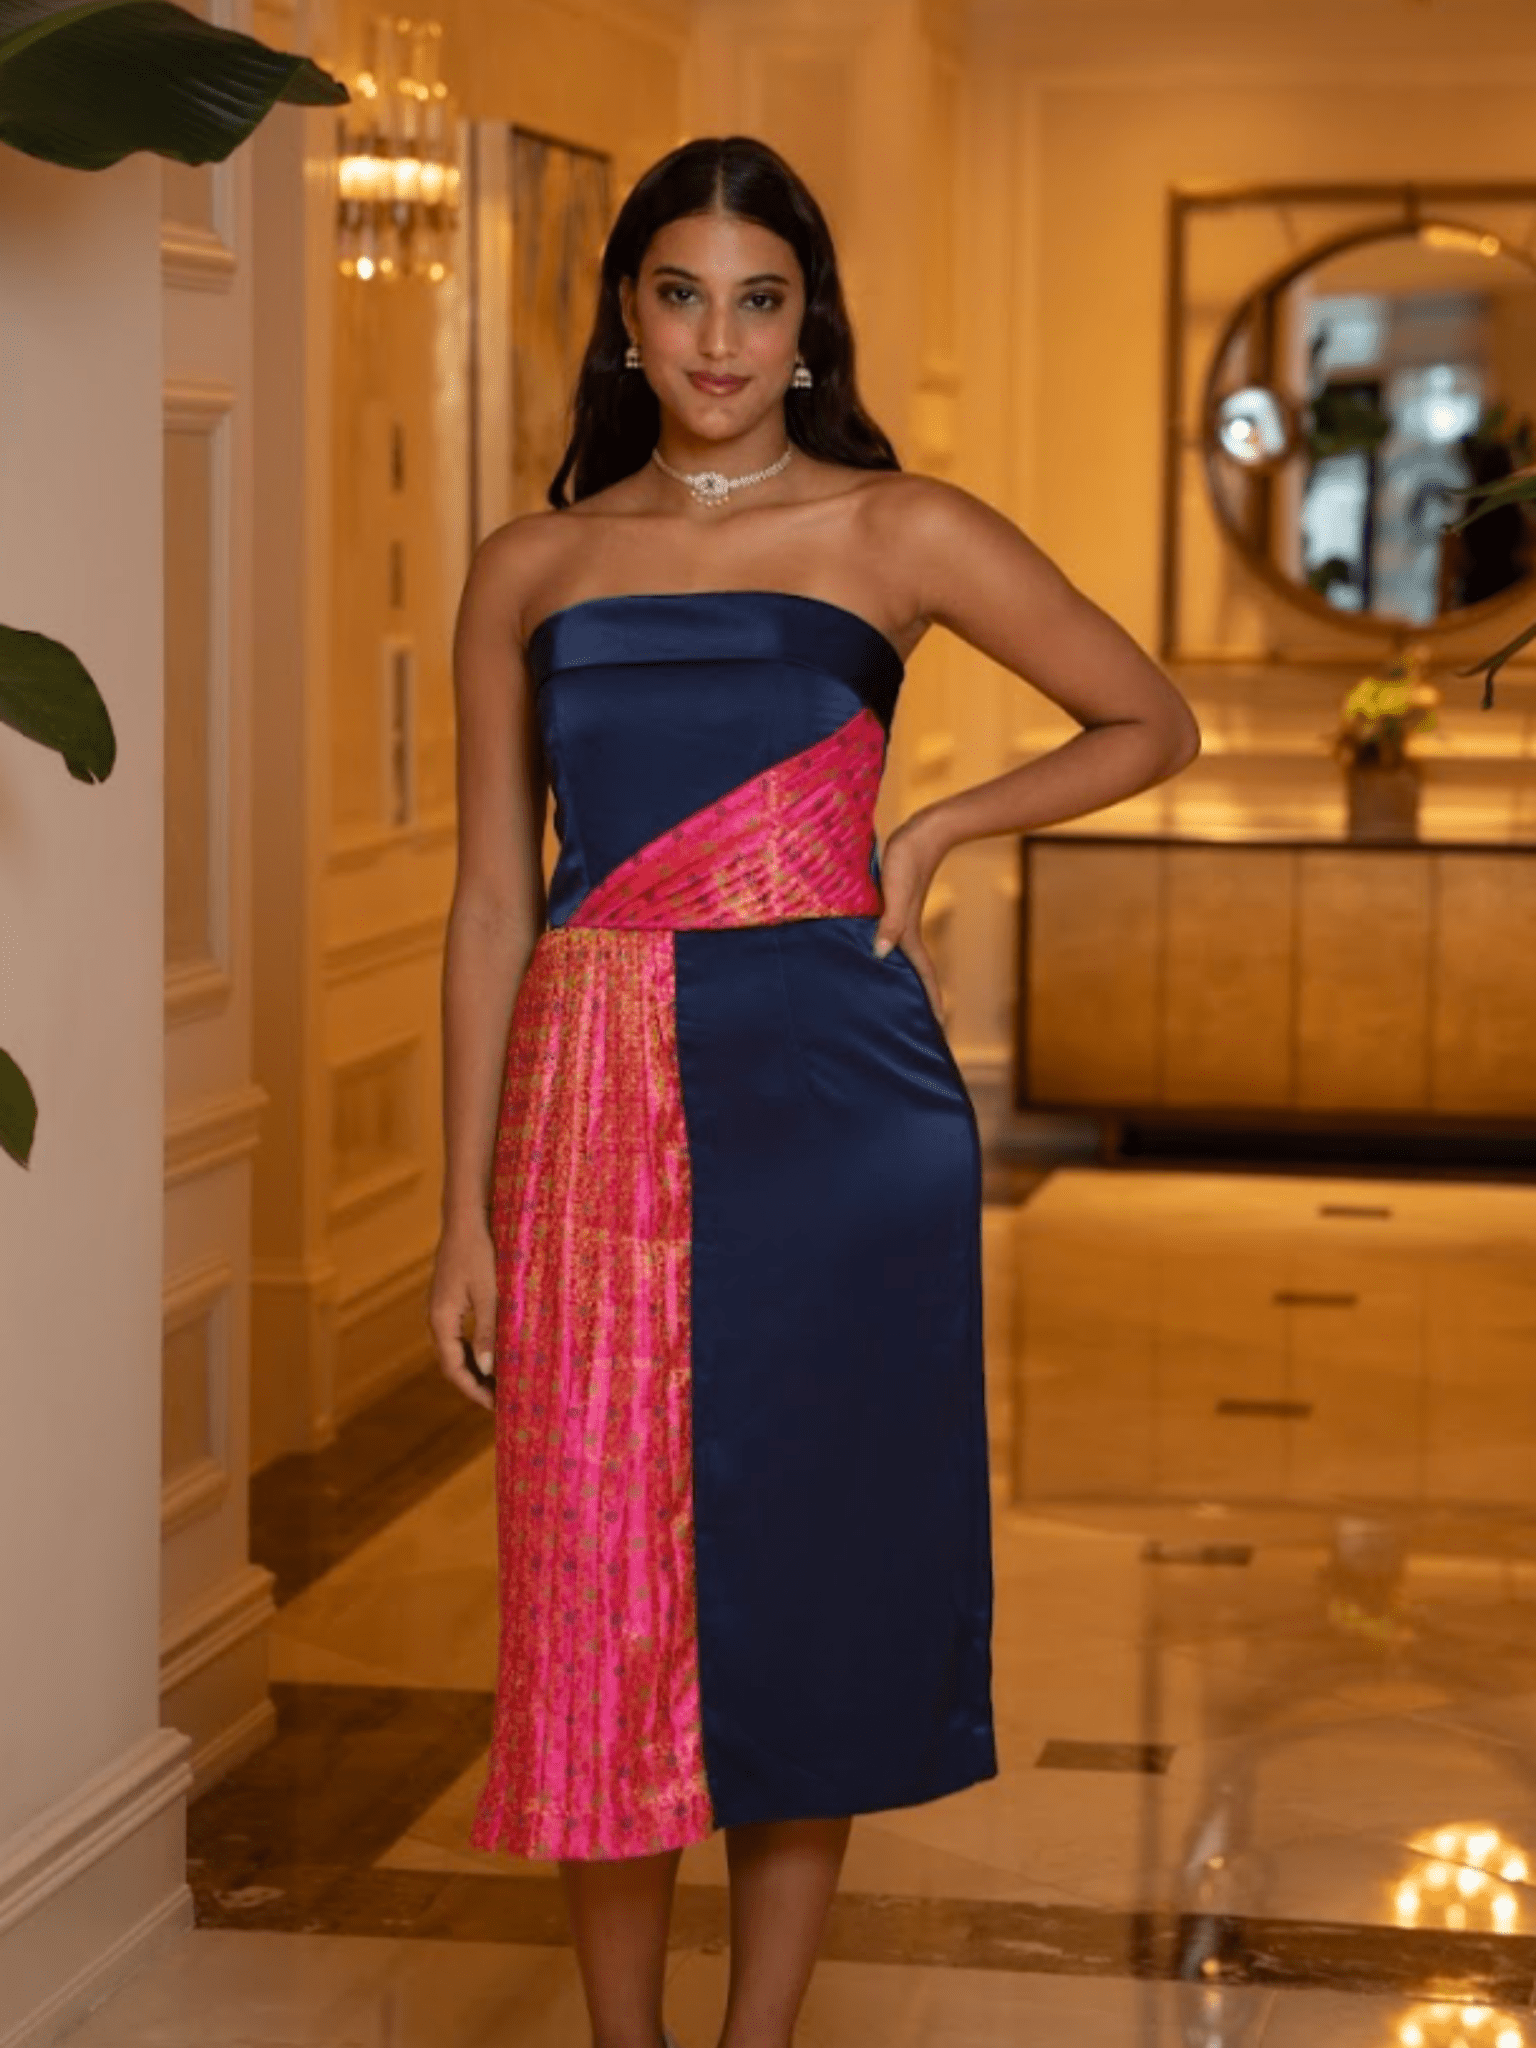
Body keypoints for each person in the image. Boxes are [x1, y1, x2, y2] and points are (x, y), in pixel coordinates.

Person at [428, 133, 1199, 2048]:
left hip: (838, 1107)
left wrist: (932, 829)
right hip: (590, 1092)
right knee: (598, 1589)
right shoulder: (530, 566)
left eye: (759, 301)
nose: (720, 341)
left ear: (807, 324)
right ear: (625, 314)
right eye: (682, 295)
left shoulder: (895, 530)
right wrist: (462, 1215)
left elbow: (1147, 719)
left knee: (811, 1583)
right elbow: (490, 899)